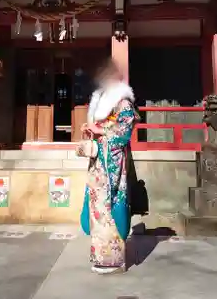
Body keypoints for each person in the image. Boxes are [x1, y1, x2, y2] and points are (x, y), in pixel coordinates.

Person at [76, 58, 137, 275]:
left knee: (109, 205)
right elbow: (101, 127)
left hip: (111, 161)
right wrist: (91, 130)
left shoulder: (123, 102)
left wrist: (102, 131)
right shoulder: (101, 98)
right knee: (97, 207)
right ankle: (100, 256)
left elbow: (125, 130)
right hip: (98, 161)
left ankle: (114, 259)